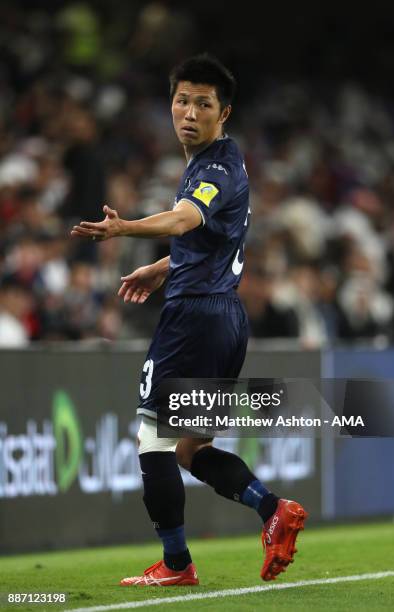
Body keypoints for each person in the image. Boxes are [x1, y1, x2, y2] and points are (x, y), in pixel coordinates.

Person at [71, 54, 307, 587]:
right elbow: (211, 240)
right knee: (188, 447)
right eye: (182, 100)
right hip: (223, 315)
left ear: (224, 112)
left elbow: (184, 218)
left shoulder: (215, 169)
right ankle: (273, 510)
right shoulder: (223, 158)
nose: (189, 112)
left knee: (151, 441)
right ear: (170, 105)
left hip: (195, 319)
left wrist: (125, 229)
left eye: (204, 104)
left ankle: (177, 565)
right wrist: (161, 267)